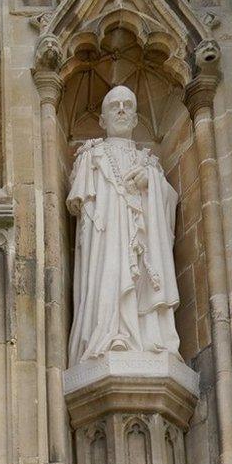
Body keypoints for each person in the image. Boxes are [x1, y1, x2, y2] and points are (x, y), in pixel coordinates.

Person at [66, 86, 181, 366]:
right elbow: (77, 201)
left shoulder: (149, 163)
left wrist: (150, 183)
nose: (120, 109)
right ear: (103, 120)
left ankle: (148, 337)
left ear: (134, 118)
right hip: (106, 237)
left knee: (140, 276)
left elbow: (170, 201)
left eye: (127, 106)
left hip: (141, 243)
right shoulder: (91, 155)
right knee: (110, 273)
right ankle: (108, 333)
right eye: (114, 105)